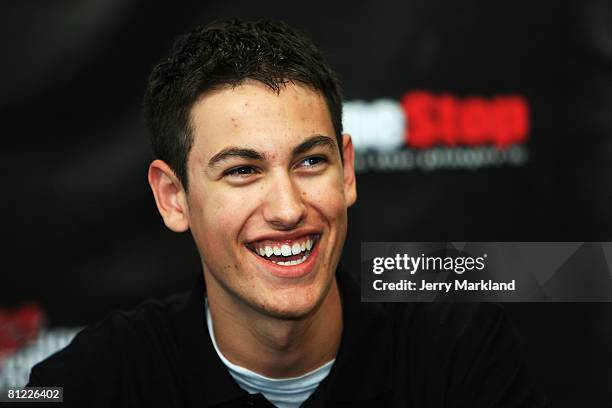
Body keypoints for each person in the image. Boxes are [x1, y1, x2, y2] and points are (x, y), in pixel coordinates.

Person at [26, 19, 548, 407]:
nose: (287, 208)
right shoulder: (90, 384)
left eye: (311, 161)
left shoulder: (461, 356)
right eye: (242, 170)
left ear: (346, 171)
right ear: (173, 196)